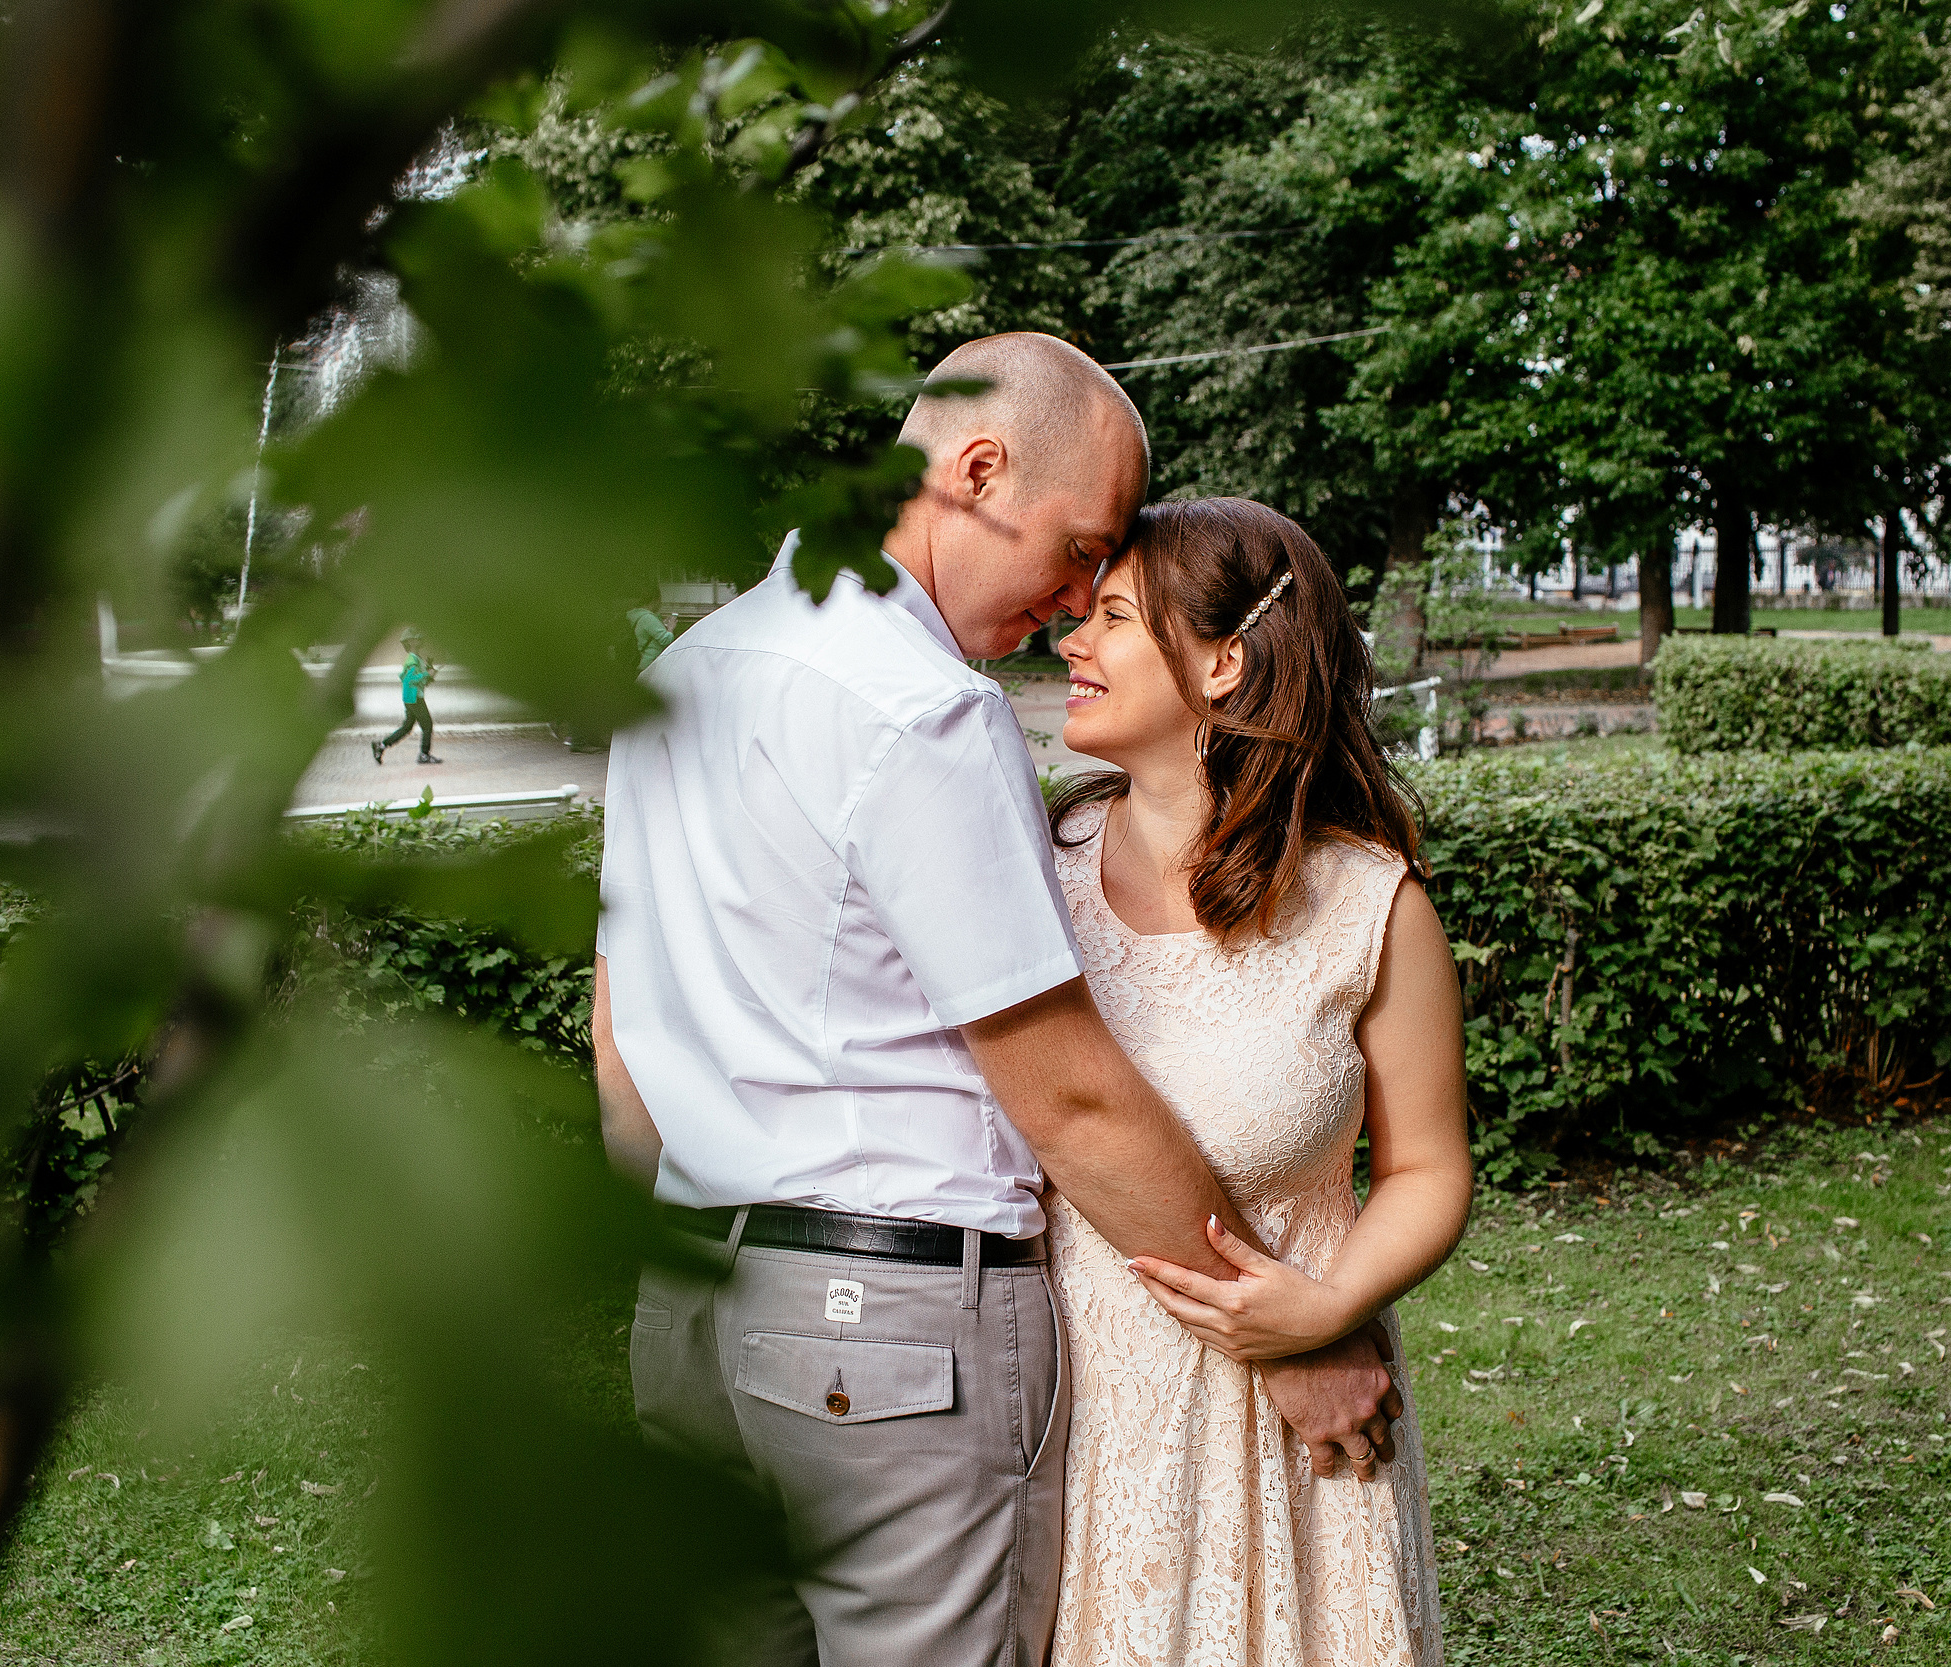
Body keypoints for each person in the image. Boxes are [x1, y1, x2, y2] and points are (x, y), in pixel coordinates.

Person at [592, 333, 1402, 1665]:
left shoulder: (687, 669)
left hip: (689, 1308)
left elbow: (621, 1035)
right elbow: (1068, 1092)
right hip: (895, 1333)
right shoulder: (923, 708)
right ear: (976, 471)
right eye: (1083, 547)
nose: (1083, 596)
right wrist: (1291, 1346)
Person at [1044, 498, 1471, 1666]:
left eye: (1114, 615)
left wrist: (1328, 1313)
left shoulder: (1370, 904)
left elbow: (1429, 1168)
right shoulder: (1033, 877)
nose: (1071, 639)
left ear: (1225, 662)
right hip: (1073, 1411)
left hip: (1299, 1445)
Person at [371, 630, 441, 764]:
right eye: (417, 638)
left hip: (411, 697)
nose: (420, 640)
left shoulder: (416, 658)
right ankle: (424, 755)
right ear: (410, 642)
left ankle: (381, 746)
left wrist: (428, 676)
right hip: (414, 699)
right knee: (427, 725)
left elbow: (415, 680)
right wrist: (427, 674)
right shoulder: (412, 659)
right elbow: (409, 680)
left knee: (407, 727)